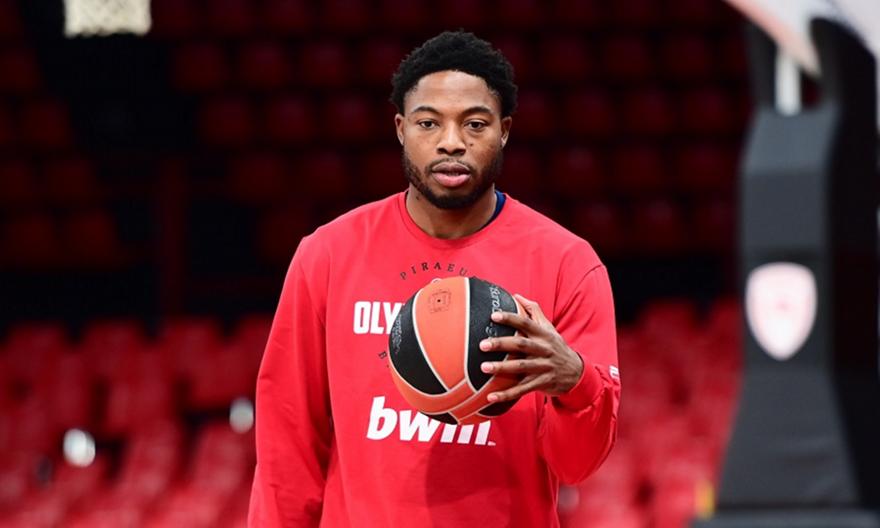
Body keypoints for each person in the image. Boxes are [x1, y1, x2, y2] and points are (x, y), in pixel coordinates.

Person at [248, 30, 620, 527]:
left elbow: (578, 466)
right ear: (401, 129)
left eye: (475, 124)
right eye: (429, 123)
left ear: (504, 131)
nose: (451, 142)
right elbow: (287, 445)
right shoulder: (328, 254)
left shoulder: (567, 264)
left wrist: (575, 381)